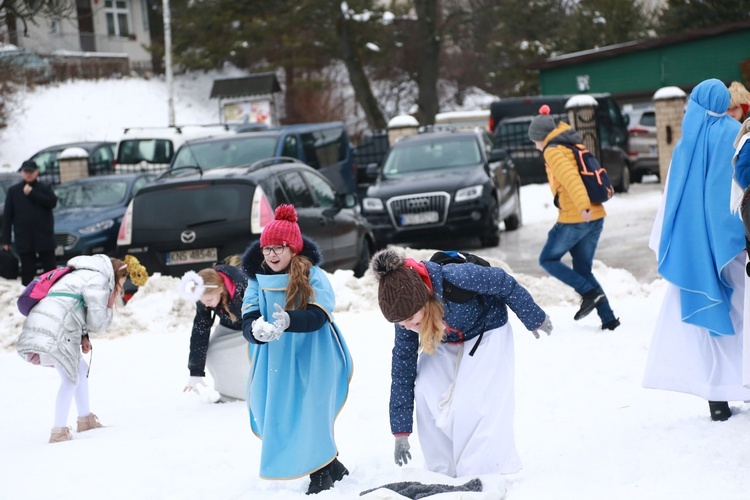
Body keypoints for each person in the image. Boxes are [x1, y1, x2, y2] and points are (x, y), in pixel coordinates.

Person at [369, 248, 551, 478]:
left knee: (473, 401)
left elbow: (504, 282)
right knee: (427, 388)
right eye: (399, 323)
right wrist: (401, 431)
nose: (405, 327)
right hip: (446, 336)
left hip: (486, 329)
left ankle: (480, 473)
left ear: (424, 304)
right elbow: (402, 369)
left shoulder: (457, 278)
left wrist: (535, 318)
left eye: (408, 320)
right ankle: (442, 473)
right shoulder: (407, 317)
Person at [643, 78, 750, 422]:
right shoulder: (735, 134)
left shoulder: (686, 144)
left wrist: (667, 240)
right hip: (735, 242)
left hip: (696, 247)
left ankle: (716, 397)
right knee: (742, 317)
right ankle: (744, 385)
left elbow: (671, 199)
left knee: (709, 326)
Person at [240, 204, 353, 495]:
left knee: (310, 409)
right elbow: (249, 313)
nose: (272, 255)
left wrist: (289, 319)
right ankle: (332, 466)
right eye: (267, 249)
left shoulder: (313, 275)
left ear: (293, 249)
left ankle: (319, 472)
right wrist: (255, 330)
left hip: (314, 353)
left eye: (279, 248)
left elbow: (319, 314)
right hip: (275, 358)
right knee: (275, 412)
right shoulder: (256, 277)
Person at [16, 254, 148, 442]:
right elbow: (97, 321)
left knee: (80, 369)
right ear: (115, 275)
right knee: (70, 379)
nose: (119, 289)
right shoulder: (99, 279)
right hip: (56, 327)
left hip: (50, 322)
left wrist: (83, 335)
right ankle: (58, 431)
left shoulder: (82, 273)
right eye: (120, 284)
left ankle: (85, 419)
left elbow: (75, 304)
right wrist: (108, 308)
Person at [528, 104, 620, 330]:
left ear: (540, 137)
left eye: (534, 139)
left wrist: (582, 206)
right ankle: (609, 320)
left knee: (547, 259)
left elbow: (571, 179)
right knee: (583, 269)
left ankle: (589, 292)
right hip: (594, 216)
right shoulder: (569, 144)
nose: (534, 144)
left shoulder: (553, 150)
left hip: (577, 217)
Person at [181, 264, 249, 401]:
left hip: (251, 325)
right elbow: (200, 329)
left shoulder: (243, 286)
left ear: (220, 289)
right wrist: (195, 371)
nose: (206, 305)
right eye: (202, 301)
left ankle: (251, 393)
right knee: (213, 353)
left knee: (245, 357)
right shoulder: (204, 295)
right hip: (228, 326)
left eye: (209, 300)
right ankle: (228, 395)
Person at [2, 160, 58, 285]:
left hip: (44, 237)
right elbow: (8, 217)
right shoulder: (14, 191)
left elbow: (52, 202)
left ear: (37, 172)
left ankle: (53, 296)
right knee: (27, 272)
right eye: (26, 171)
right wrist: (6, 240)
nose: (29, 174)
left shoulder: (44, 188)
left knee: (50, 271)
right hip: (24, 238)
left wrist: (32, 193)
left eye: (31, 172)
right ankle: (28, 299)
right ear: (22, 172)